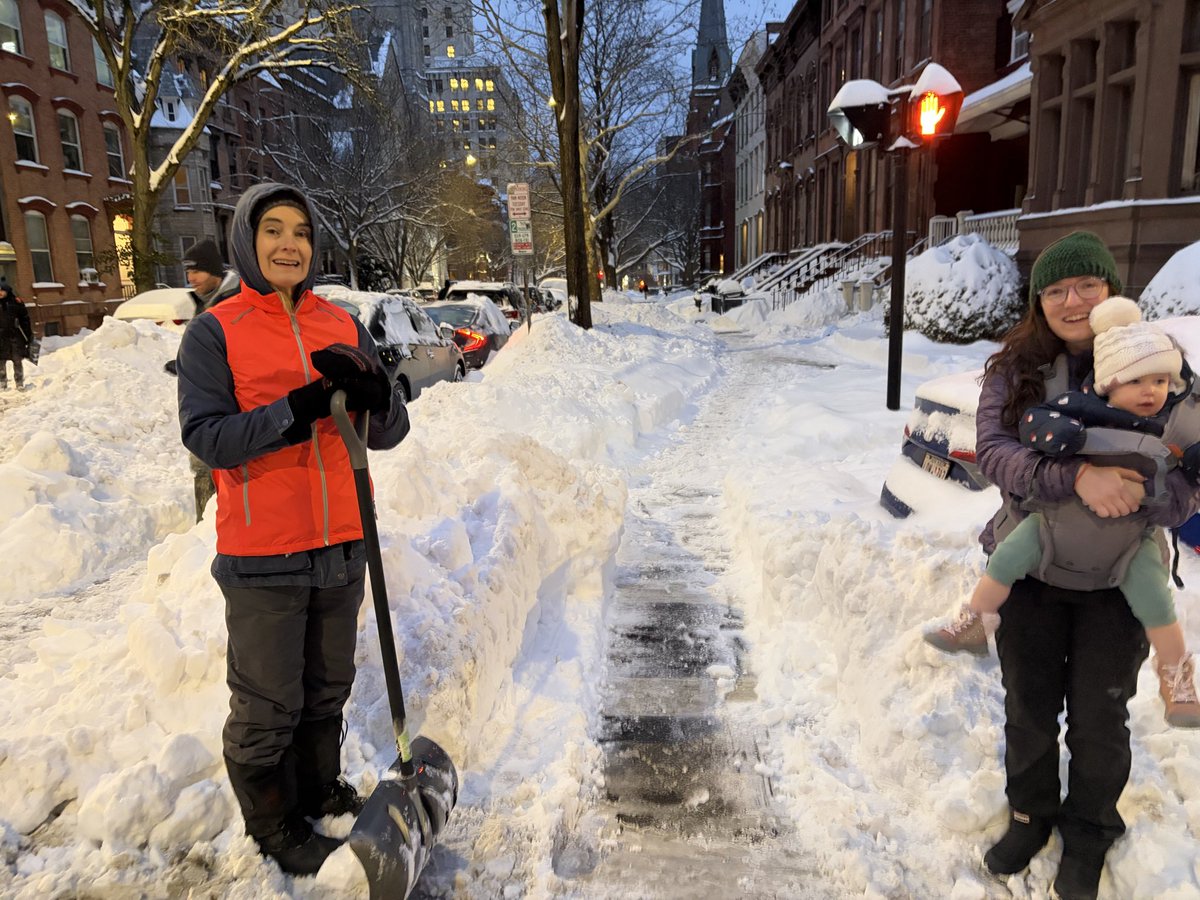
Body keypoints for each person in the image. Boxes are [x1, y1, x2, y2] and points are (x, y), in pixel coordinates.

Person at [176, 183, 410, 875]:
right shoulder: (214, 331)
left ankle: (318, 788)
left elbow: (393, 429)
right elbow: (208, 438)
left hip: (341, 542)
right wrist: (295, 409)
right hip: (263, 552)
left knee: (326, 685)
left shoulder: (342, 324)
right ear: (248, 241)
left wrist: (379, 398)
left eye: (301, 232)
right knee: (268, 698)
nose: (289, 244)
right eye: (272, 229)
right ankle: (273, 819)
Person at [968, 231, 1200, 900]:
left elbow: (1196, 460)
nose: (1073, 301)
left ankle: (1091, 830)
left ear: (1110, 290)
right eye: (1056, 290)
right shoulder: (1016, 371)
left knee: (1101, 716)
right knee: (1030, 706)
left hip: (1118, 579)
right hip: (1036, 569)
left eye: (1087, 285)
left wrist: (1159, 498)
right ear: (1039, 302)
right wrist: (1076, 479)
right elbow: (995, 453)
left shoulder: (1160, 362)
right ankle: (1029, 814)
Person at [925, 296, 1200, 728]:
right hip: (1052, 526)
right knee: (1007, 558)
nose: (1152, 391)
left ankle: (1177, 677)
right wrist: (1067, 456)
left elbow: (1187, 483)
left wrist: (1165, 484)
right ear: (1109, 383)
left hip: (1129, 541)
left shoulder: (1174, 405)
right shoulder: (1080, 403)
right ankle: (975, 621)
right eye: (1138, 381)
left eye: (1161, 381)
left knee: (1156, 604)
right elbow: (1026, 430)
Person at [165, 238, 242, 520]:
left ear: (214, 271)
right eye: (188, 271)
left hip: (230, 403)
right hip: (206, 400)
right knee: (202, 462)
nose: (190, 278)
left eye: (196, 270)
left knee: (211, 462)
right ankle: (207, 528)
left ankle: (210, 527)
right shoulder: (207, 302)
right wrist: (186, 364)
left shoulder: (232, 301)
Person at [0, 283, 32, 390]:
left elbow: (25, 319)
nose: (0, 293)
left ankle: (19, 382)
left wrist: (29, 335)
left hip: (14, 335)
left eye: (2, 291)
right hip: (1, 336)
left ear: (7, 291)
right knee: (1, 360)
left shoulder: (16, 302)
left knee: (17, 359)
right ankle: (2, 382)